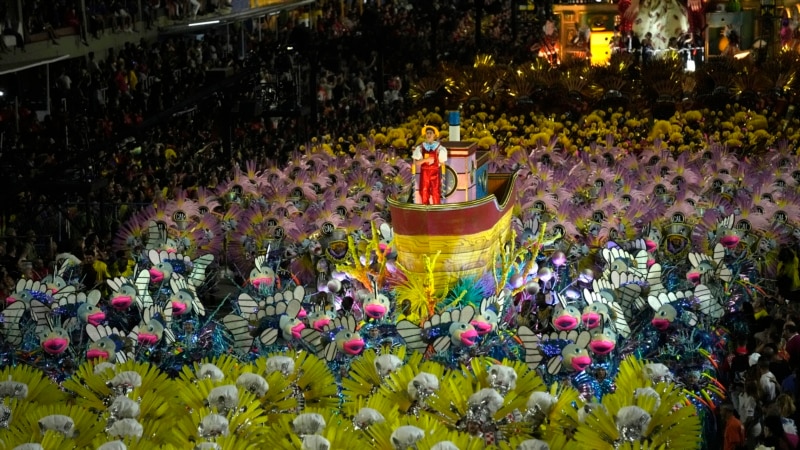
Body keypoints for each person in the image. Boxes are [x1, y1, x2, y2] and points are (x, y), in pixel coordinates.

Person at [411, 125, 448, 205]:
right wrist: (425, 160)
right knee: (424, 192)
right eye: (427, 133)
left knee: (436, 192)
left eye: (430, 133)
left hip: (435, 173)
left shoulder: (439, 148)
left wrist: (439, 163)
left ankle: (436, 210)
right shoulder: (421, 147)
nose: (428, 135)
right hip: (424, 173)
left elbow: (442, 163)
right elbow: (416, 163)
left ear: (434, 135)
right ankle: (426, 210)